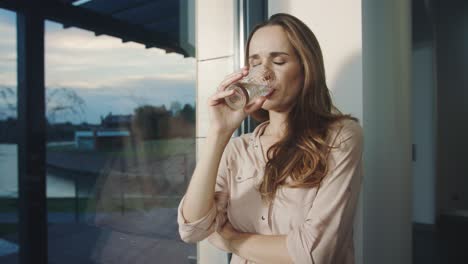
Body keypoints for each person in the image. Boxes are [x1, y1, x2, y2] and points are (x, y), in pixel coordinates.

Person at [177, 13, 363, 264]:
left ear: (306, 68)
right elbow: (192, 230)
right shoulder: (237, 149)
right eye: (255, 62)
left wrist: (230, 239)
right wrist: (219, 132)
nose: (263, 74)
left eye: (278, 61)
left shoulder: (340, 136)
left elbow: (314, 253)